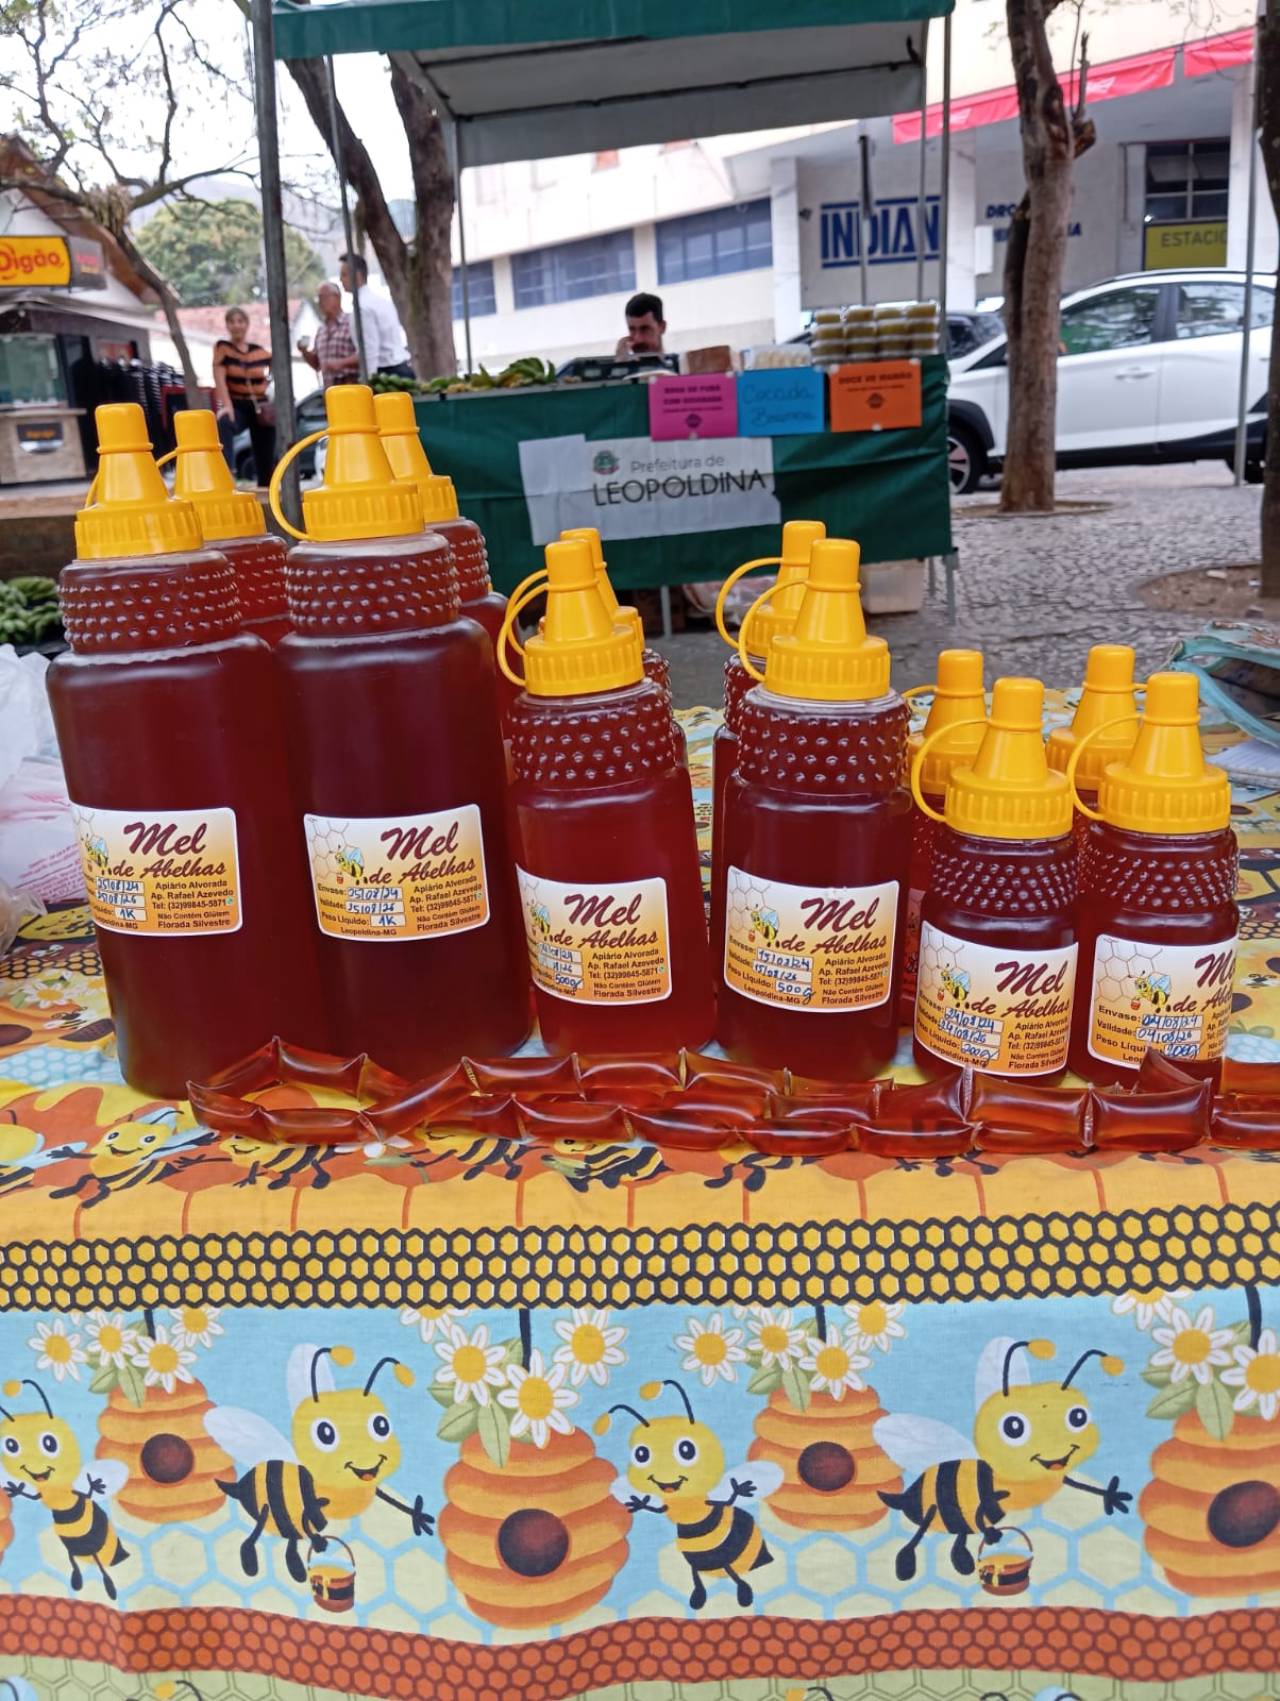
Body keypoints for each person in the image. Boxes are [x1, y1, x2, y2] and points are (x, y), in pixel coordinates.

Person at [213, 306, 275, 488]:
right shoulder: (223, 348)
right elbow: (219, 378)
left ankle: (267, 484)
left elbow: (276, 364)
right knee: (225, 422)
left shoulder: (259, 351)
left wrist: (268, 384)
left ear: (247, 324)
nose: (236, 326)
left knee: (266, 439)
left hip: (260, 405)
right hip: (237, 404)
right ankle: (227, 477)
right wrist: (227, 405)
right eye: (232, 322)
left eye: (240, 321)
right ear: (227, 325)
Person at [339, 253, 413, 378]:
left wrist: (369, 381)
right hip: (400, 367)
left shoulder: (363, 307)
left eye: (344, 275)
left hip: (386, 373)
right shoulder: (380, 301)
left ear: (357, 276)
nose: (341, 280)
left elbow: (369, 350)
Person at [298, 281, 360, 389]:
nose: (321, 302)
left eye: (324, 297)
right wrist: (304, 351)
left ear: (338, 297)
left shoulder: (351, 323)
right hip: (330, 390)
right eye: (319, 298)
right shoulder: (321, 331)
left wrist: (341, 363)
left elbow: (365, 355)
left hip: (351, 387)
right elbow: (317, 364)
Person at [616, 292, 666, 359]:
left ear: (662, 327)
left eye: (645, 329)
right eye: (632, 330)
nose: (638, 339)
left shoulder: (678, 364)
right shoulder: (624, 362)